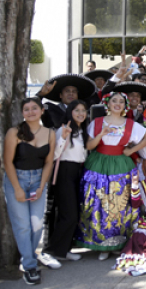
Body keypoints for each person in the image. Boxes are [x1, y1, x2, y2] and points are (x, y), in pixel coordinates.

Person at [75, 92, 146, 261]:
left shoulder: (131, 124)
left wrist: (131, 150)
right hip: (98, 163)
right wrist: (101, 134)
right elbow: (89, 145)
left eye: (121, 101)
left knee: (119, 205)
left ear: (125, 105)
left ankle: (119, 242)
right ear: (107, 103)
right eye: (114, 100)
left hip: (121, 165)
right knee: (98, 203)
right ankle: (100, 243)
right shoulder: (97, 122)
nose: (117, 104)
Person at [3, 98, 56, 284]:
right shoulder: (15, 132)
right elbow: (7, 162)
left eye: (35, 108)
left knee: (36, 225)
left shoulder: (50, 133)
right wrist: (17, 188)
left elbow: (49, 162)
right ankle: (29, 266)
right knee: (23, 225)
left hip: (38, 181)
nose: (31, 112)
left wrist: (42, 186)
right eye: (27, 109)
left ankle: (29, 258)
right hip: (17, 179)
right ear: (22, 112)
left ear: (42, 111)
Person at [42, 100, 89, 263]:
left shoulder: (82, 130)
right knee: (68, 215)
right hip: (64, 173)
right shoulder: (63, 129)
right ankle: (50, 251)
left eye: (83, 110)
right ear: (70, 111)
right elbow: (54, 155)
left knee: (74, 215)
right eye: (77, 110)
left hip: (78, 173)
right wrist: (62, 137)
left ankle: (65, 249)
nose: (81, 113)